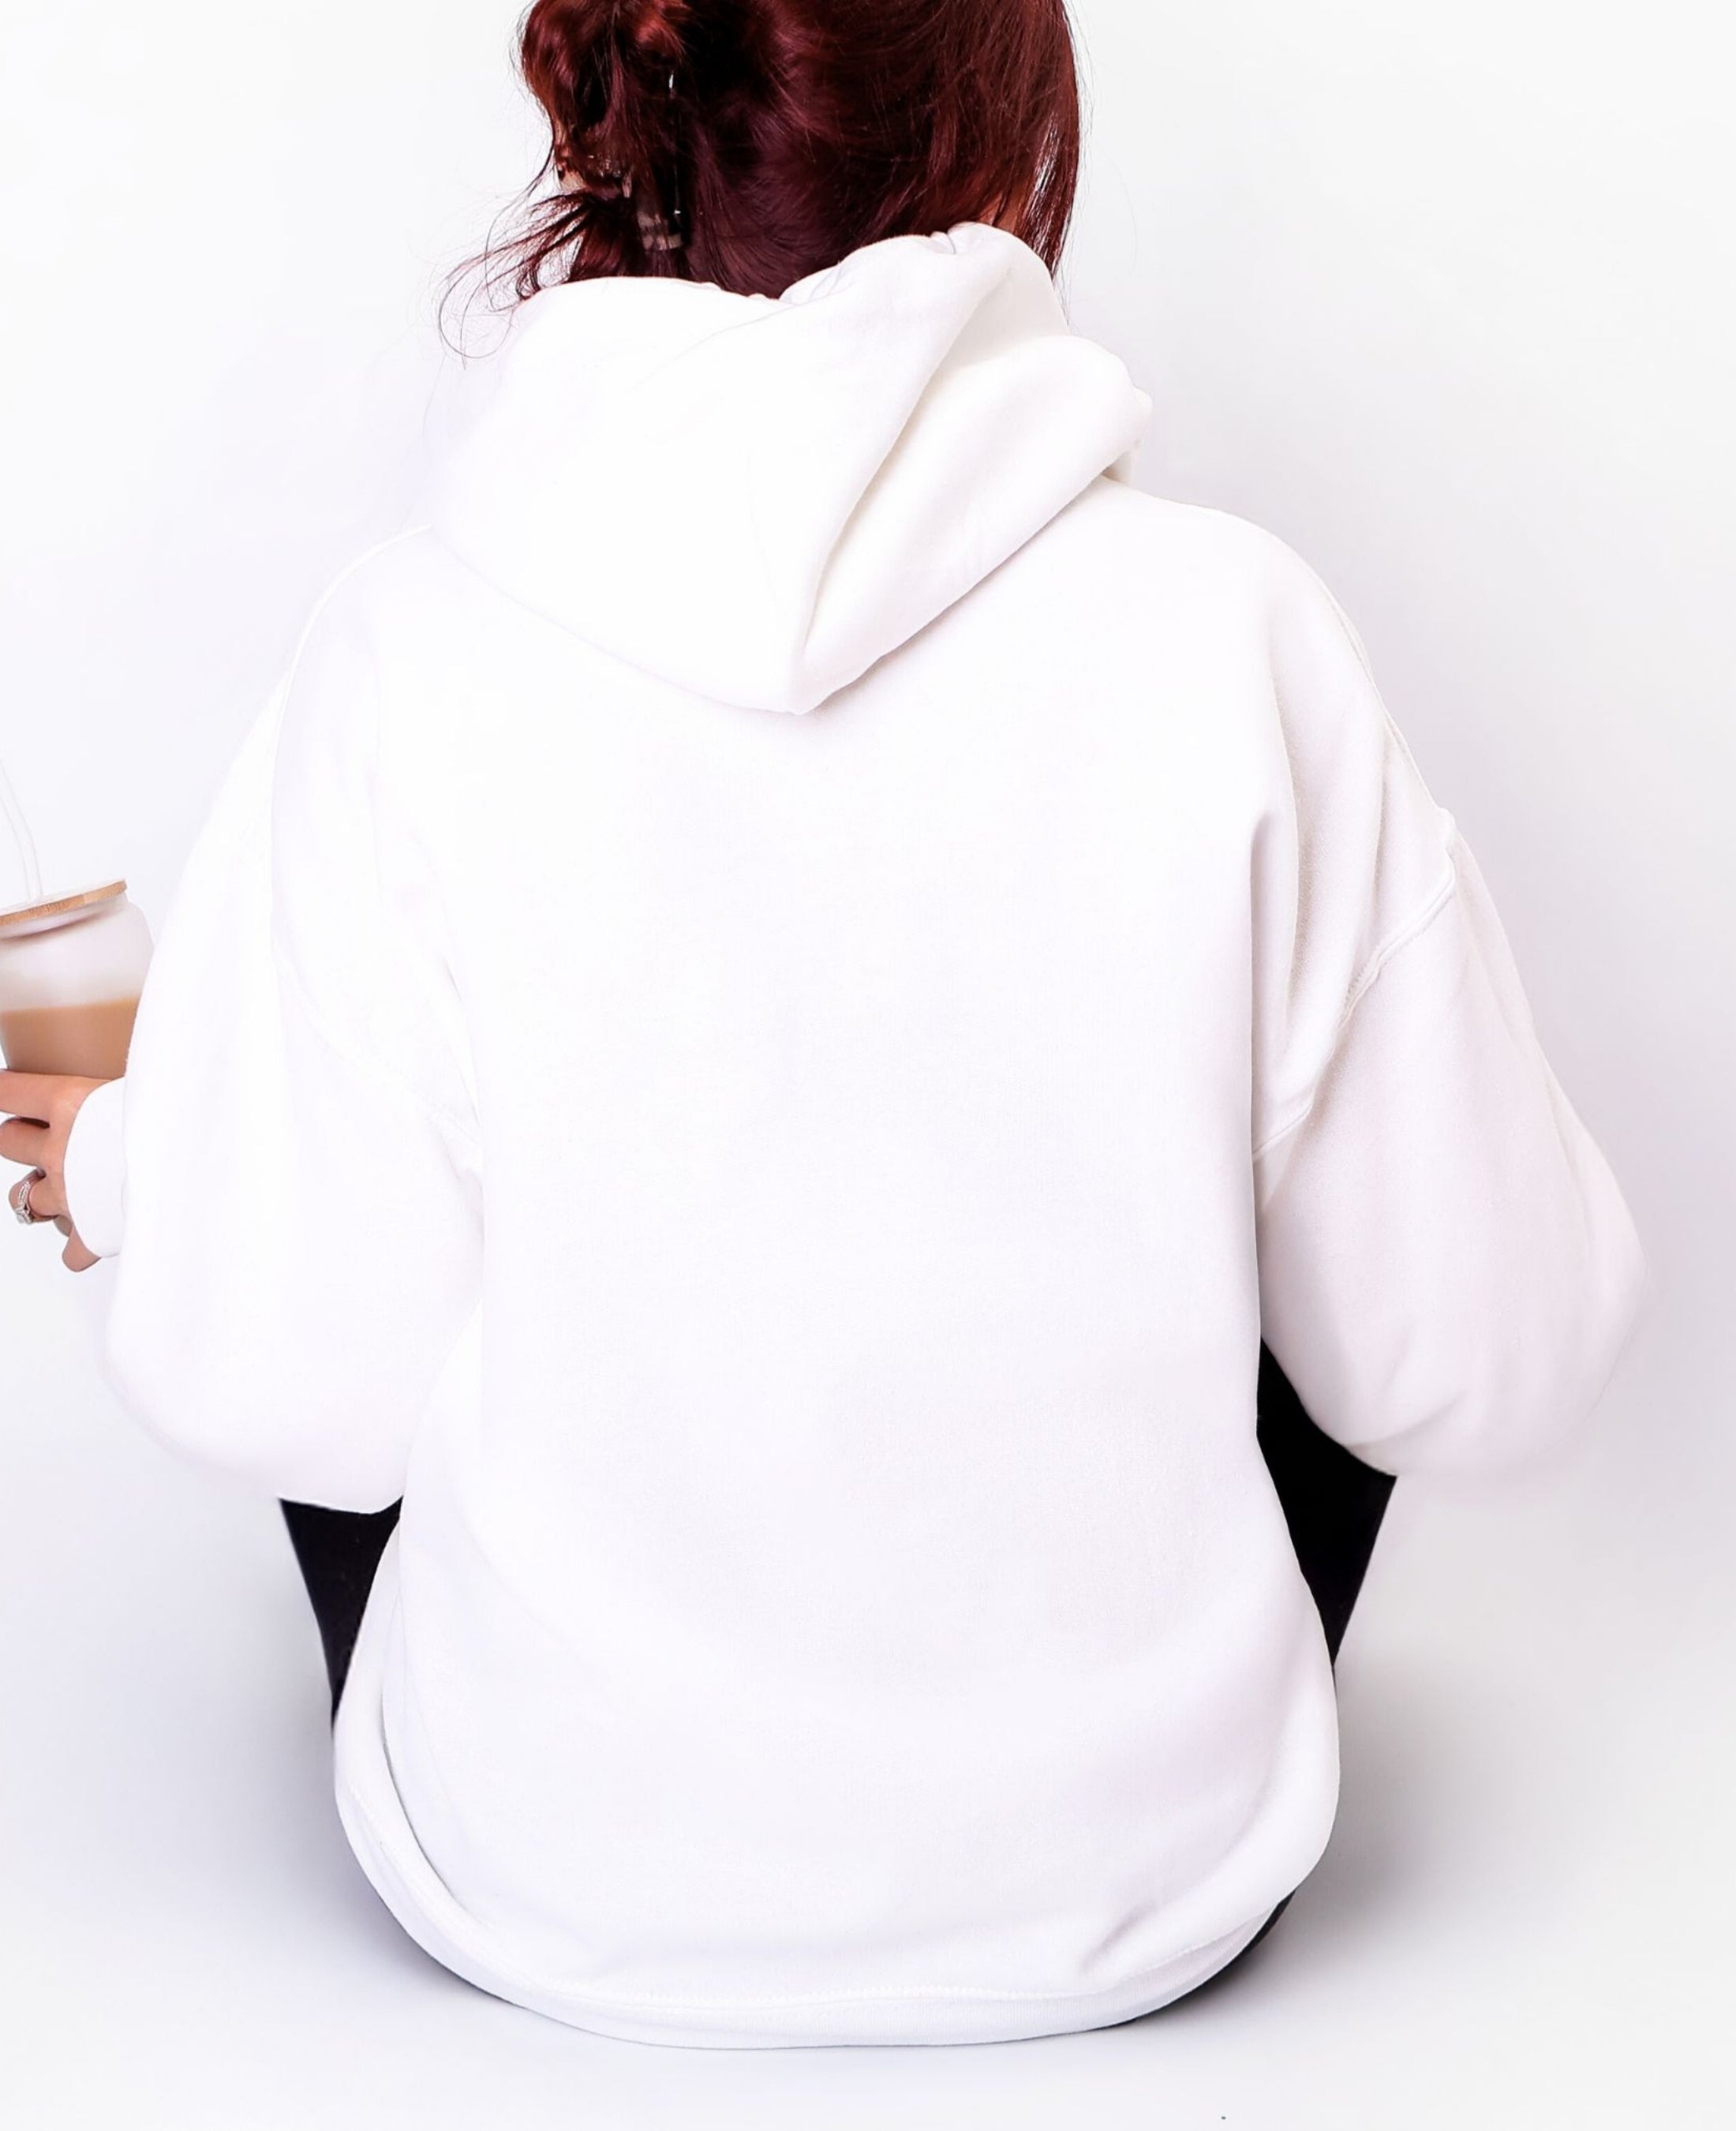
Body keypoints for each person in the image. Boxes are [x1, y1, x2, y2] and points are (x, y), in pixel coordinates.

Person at [0, 0, 1647, 2050]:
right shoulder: (1237, 633)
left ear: (626, 128)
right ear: (1006, 137)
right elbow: (1496, 1353)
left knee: (341, 1216)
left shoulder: (405, 646)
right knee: (1347, 1173)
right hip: (1151, 1886)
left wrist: (146, 1161)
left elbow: (291, 1380)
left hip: (547, 1876)